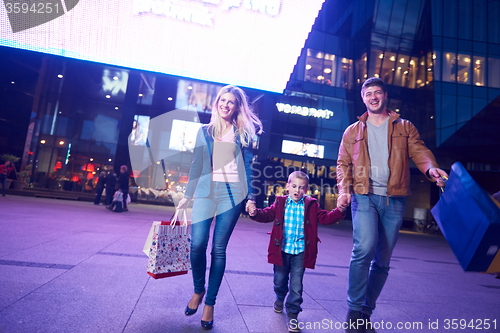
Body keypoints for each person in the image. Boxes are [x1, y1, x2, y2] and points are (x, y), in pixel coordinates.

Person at [336, 77, 448, 333]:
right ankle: (353, 312)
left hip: (394, 199)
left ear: (385, 96)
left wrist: (430, 169)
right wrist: (344, 190)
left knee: (382, 260)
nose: (373, 97)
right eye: (368, 94)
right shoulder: (352, 131)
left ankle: (366, 312)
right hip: (364, 195)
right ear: (363, 99)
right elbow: (342, 164)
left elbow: (419, 150)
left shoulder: (404, 126)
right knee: (363, 249)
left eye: (377, 92)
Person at [176, 85, 263, 330]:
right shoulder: (204, 132)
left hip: (232, 196)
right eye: (222, 100)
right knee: (197, 244)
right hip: (205, 193)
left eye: (231, 102)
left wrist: (251, 197)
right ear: (217, 104)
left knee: (219, 250)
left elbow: (248, 168)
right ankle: (198, 290)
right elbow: (197, 164)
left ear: (237, 107)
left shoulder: (244, 133)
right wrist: (187, 195)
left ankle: (209, 304)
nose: (226, 105)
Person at [247, 171, 345, 332]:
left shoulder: (311, 205)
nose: (297, 190)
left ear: (306, 190)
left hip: (301, 251)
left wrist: (339, 211)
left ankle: (293, 314)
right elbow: (267, 215)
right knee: (279, 281)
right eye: (294, 186)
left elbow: (326, 218)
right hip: (282, 250)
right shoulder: (280, 203)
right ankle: (279, 297)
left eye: (301, 188)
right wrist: (255, 212)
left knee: (296, 285)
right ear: (287, 187)